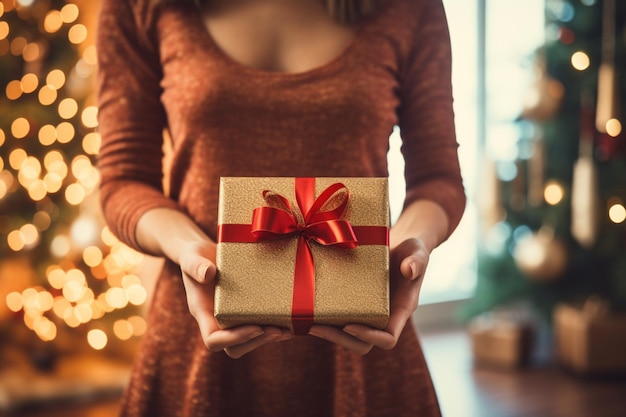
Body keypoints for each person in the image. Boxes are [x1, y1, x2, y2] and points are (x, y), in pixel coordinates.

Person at [96, 0, 466, 415]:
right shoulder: (139, 6)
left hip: (363, 328)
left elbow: (438, 178)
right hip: (199, 325)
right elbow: (122, 181)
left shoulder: (410, 8)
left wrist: (408, 244)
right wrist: (189, 250)